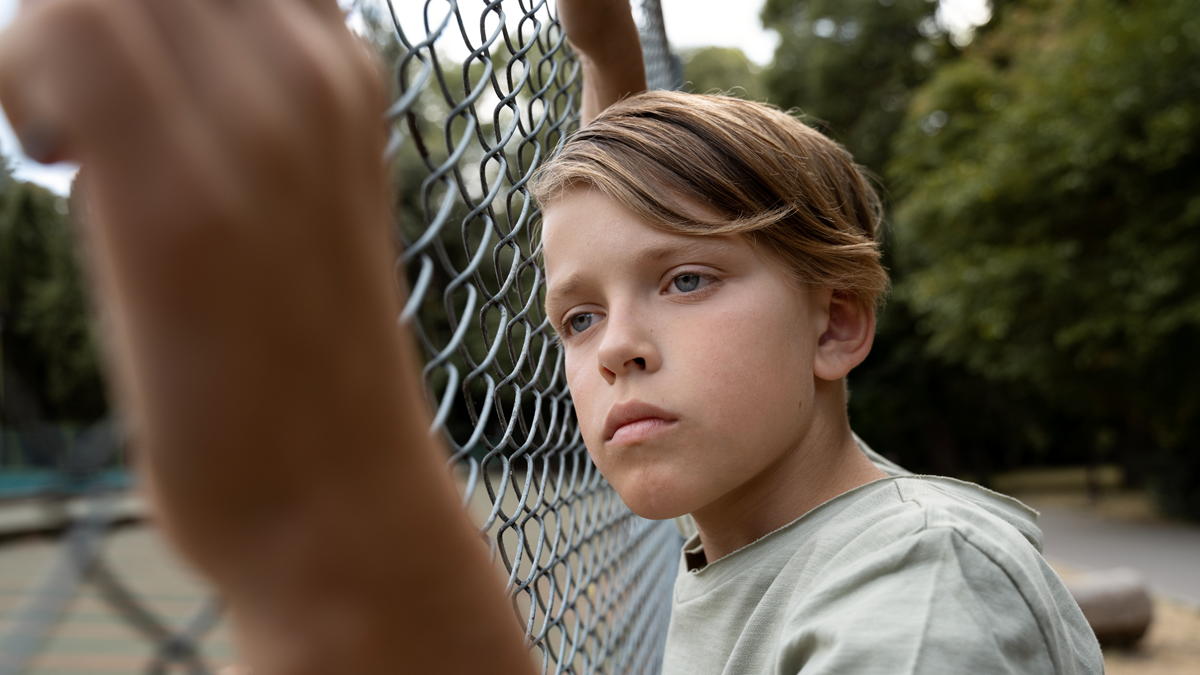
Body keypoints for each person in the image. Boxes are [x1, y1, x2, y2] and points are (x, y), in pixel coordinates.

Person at [0, 0, 1102, 674]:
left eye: (686, 279)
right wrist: (606, 54)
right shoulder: (762, 540)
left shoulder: (911, 592)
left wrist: (357, 573)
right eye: (576, 318)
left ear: (837, 321)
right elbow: (624, 229)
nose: (616, 345)